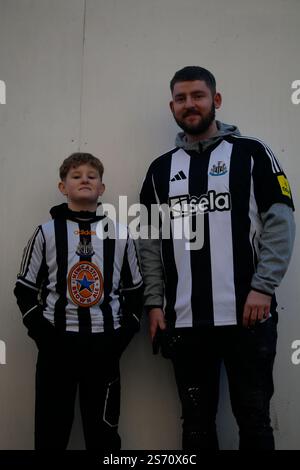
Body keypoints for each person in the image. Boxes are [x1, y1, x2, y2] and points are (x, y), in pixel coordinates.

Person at [139, 66, 295, 450]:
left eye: (198, 95)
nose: (189, 104)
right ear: (172, 106)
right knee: (195, 425)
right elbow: (149, 242)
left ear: (216, 100)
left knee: (254, 420)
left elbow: (281, 223)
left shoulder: (252, 153)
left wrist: (263, 286)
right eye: (181, 98)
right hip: (185, 319)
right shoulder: (160, 170)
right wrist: (154, 302)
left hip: (249, 316)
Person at [14, 152, 143, 450]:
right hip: (56, 348)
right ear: (63, 187)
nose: (84, 179)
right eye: (76, 175)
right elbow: (24, 289)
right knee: (50, 432)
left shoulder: (121, 234)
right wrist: (45, 337)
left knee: (104, 435)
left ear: (101, 188)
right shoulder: (45, 233)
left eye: (91, 176)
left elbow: (134, 293)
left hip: (103, 347)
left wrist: (120, 338)